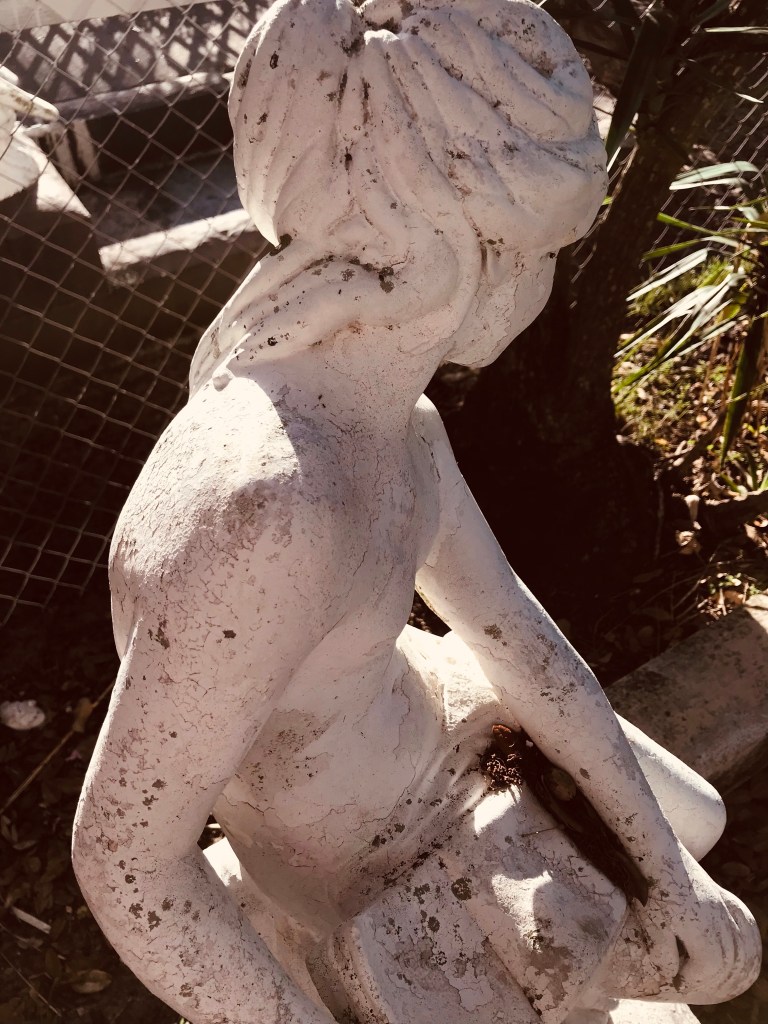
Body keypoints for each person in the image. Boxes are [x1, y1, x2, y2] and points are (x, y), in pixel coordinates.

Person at [73, 0, 761, 1021]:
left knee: (701, 857)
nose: (545, 281)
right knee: (675, 966)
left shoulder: (400, 429)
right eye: (543, 251)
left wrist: (668, 869)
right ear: (456, 237)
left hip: (440, 727)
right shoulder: (272, 511)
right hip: (369, 857)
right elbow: (126, 857)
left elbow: (516, 637)